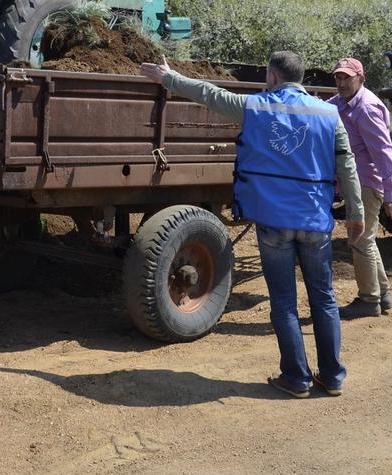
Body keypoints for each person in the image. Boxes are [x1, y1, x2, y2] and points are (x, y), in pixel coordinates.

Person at [140, 51, 364, 398]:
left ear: (273, 77)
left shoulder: (255, 107)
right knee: (324, 298)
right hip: (314, 220)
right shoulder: (329, 113)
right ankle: (332, 377)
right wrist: (356, 213)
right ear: (301, 78)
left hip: (273, 221)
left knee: (284, 302)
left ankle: (296, 379)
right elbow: (346, 165)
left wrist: (168, 77)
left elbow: (210, 95)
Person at [328, 57, 392, 319]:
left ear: (361, 78)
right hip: (353, 182)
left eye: (347, 78)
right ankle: (383, 293)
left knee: (360, 239)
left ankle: (369, 301)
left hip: (366, 184)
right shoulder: (340, 103)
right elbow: (321, 108)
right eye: (338, 77)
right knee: (365, 239)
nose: (342, 83)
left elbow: (384, 152)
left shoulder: (367, 108)